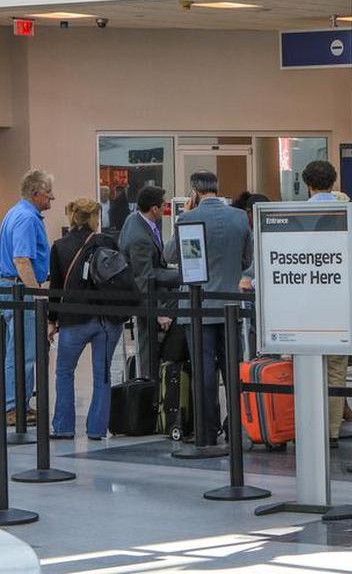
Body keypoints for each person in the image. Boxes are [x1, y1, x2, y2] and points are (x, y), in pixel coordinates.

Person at [165, 171, 253, 444]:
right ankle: (236, 427)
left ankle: (207, 430)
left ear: (194, 192)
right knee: (232, 369)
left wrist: (185, 215)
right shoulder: (239, 217)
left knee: (204, 372)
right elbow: (247, 259)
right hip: (231, 305)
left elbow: (170, 255)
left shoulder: (189, 218)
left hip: (198, 307)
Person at [47, 198, 124, 440]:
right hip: (107, 320)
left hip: (74, 319)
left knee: (65, 372)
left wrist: (52, 320)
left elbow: (55, 287)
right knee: (102, 375)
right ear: (95, 218)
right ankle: (96, 429)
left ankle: (63, 426)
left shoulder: (60, 246)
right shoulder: (108, 242)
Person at [296, 160, 352, 445]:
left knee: (306, 366)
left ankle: (309, 428)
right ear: (334, 181)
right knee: (336, 369)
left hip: (306, 300)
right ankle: (332, 431)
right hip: (338, 300)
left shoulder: (298, 213)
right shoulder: (348, 212)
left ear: (308, 184)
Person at [1, 170, 54, 424]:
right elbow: (21, 260)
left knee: (20, 350)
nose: (52, 197)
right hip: (20, 290)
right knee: (23, 352)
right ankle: (13, 407)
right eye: (48, 193)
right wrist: (36, 295)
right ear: (36, 193)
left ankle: (18, 403)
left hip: (14, 288)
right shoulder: (26, 219)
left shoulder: (16, 213)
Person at [119, 186, 181, 380]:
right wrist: (158, 312)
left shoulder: (137, 220)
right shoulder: (139, 238)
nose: (165, 208)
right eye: (163, 205)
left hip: (154, 289)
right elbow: (143, 277)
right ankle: (148, 387)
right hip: (145, 298)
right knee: (148, 346)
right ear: (154, 209)